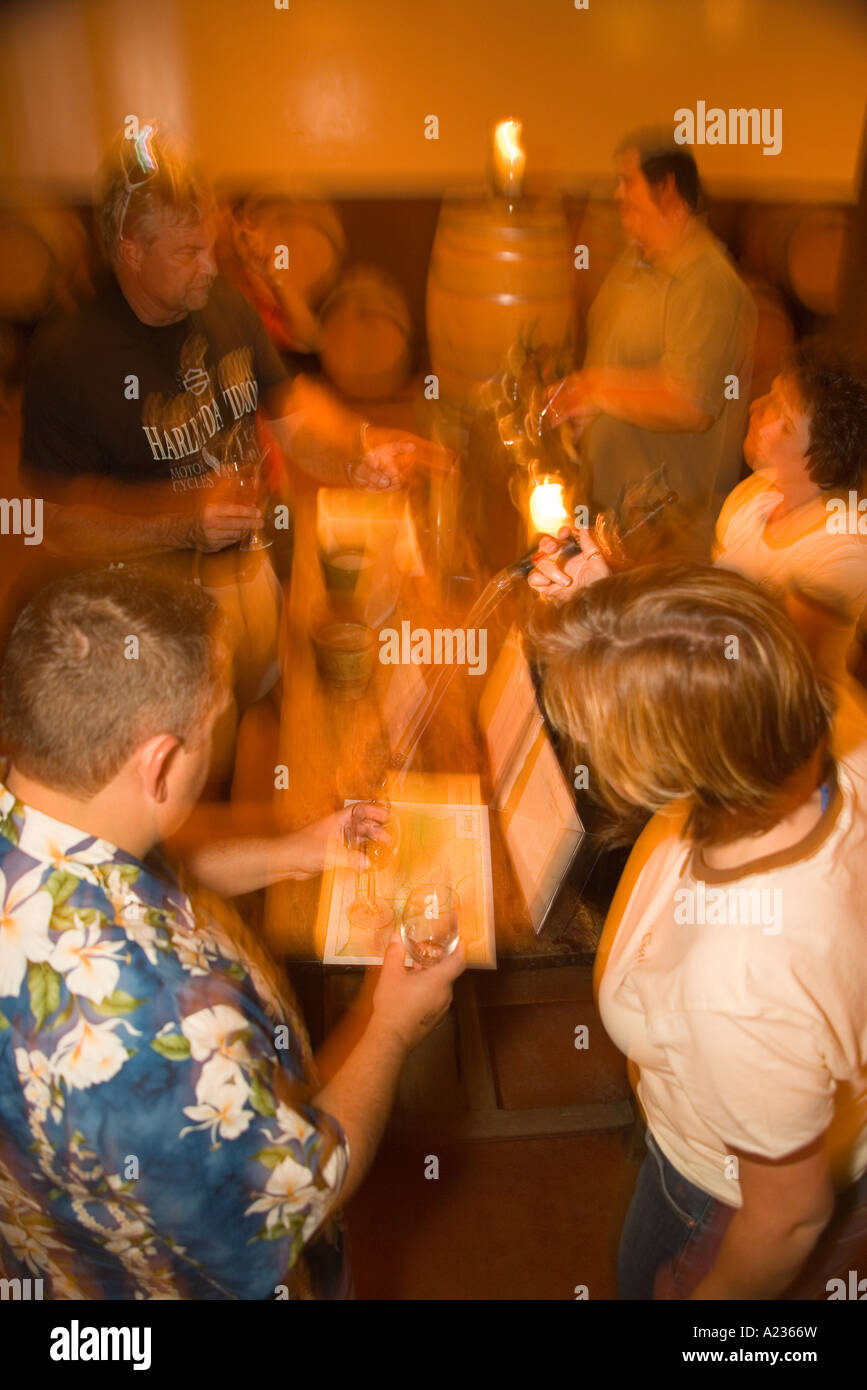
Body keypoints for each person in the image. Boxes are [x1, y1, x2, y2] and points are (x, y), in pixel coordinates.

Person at [0, 569, 465, 1299]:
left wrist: (296, 851)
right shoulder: (151, 1033)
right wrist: (389, 1023)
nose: (218, 738)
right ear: (157, 762)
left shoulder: (44, 797)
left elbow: (145, 856)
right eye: (214, 724)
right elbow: (302, 1193)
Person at [18, 123, 446, 724]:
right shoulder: (69, 356)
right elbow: (56, 522)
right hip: (155, 624)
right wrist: (182, 518)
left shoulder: (224, 307)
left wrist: (361, 448)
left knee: (264, 715)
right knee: (198, 757)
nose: (211, 268)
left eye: (210, 246)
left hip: (252, 578)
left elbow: (293, 414)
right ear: (130, 249)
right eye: (188, 253)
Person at [529, 565, 867, 1299]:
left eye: (593, 730)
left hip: (714, 1194)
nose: (577, 740)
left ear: (675, 763)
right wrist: (632, 630)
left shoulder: (736, 983)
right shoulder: (816, 738)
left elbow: (787, 1217)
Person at [531, 341, 867, 715]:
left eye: (784, 421)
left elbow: (773, 678)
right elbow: (712, 610)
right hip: (723, 705)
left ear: (822, 460)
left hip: (792, 740)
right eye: (770, 396)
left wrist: (625, 606)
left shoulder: (844, 545)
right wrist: (610, 577)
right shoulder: (755, 497)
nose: (757, 410)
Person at [542, 130, 756, 539]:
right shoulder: (637, 263)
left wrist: (598, 390)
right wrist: (581, 406)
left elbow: (690, 401)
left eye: (628, 180)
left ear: (668, 188)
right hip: (617, 520)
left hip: (667, 537)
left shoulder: (707, 282)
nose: (618, 195)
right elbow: (625, 367)